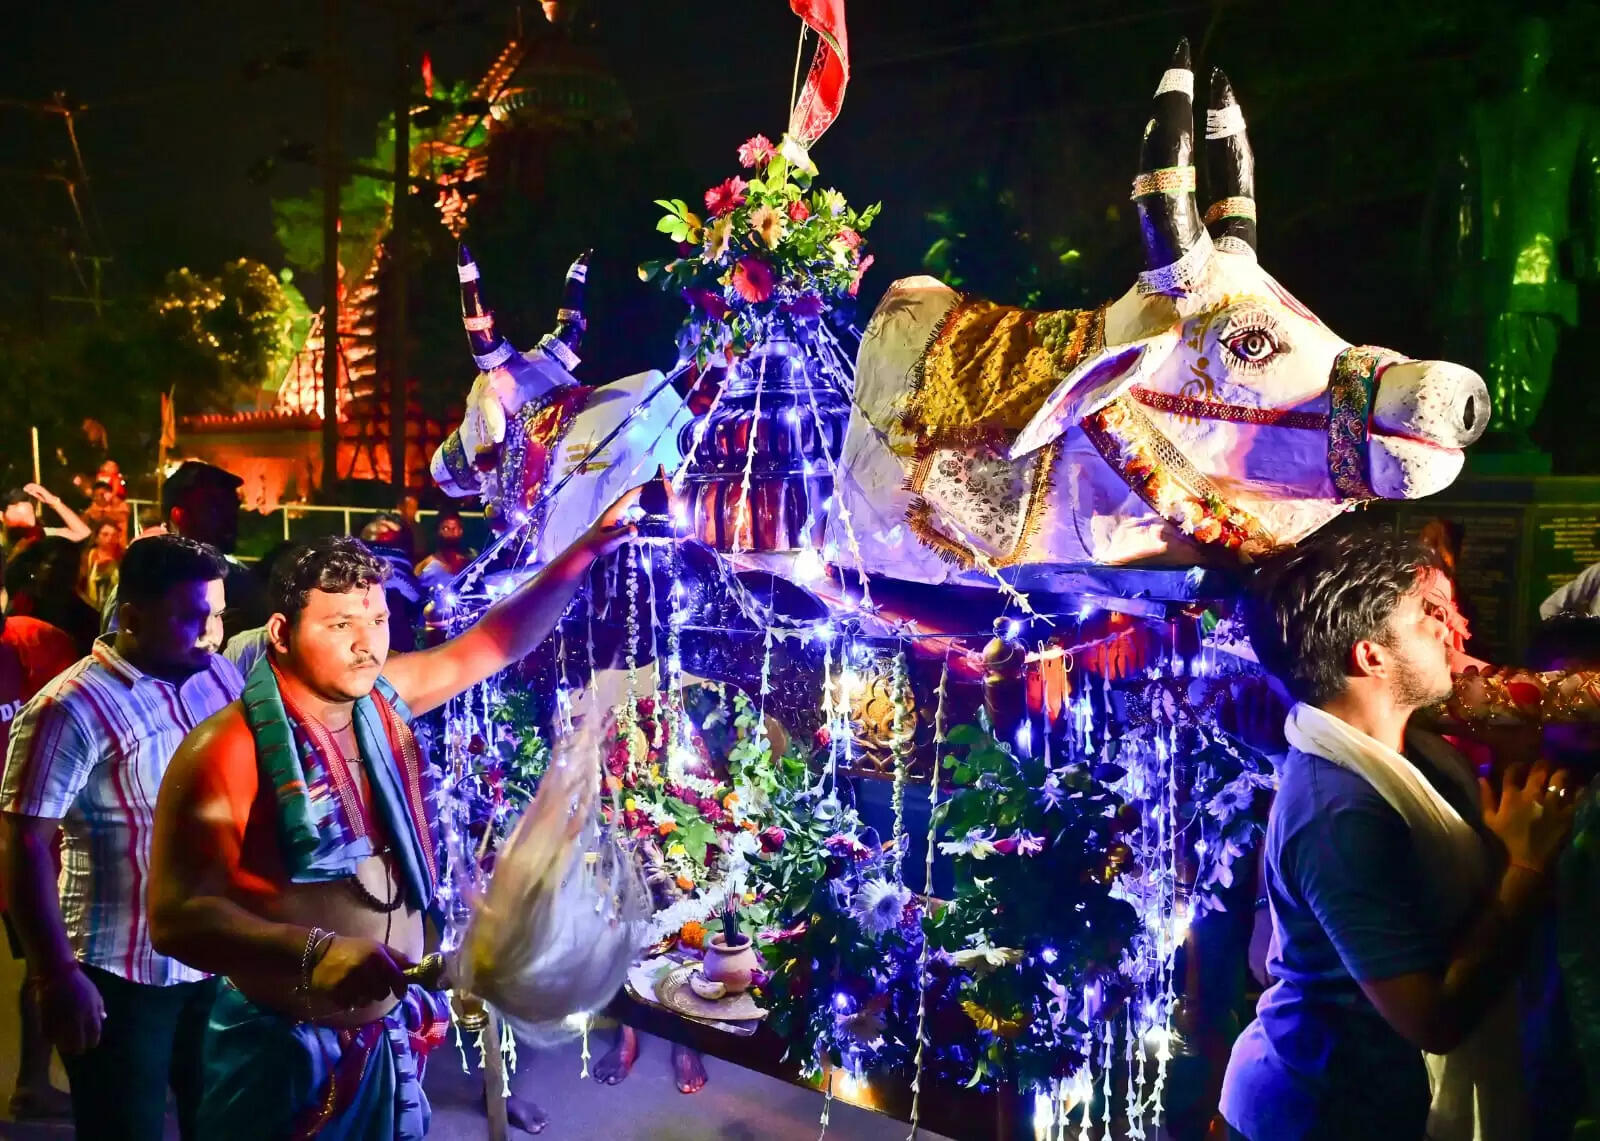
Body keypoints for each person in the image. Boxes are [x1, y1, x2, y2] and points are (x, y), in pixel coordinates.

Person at [146, 495, 637, 1140]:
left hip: (384, 1035)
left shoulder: (382, 703)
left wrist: (588, 548)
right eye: (339, 625)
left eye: (377, 619)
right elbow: (175, 917)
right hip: (281, 1055)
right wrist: (312, 952)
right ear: (281, 634)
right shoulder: (227, 749)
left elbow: (495, 643)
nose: (366, 644)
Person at [1219, 527, 1578, 1141]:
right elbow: (1432, 1021)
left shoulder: (1416, 745)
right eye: (1426, 616)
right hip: (1328, 1110)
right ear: (1371, 657)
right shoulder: (1339, 813)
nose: (1449, 630)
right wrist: (1525, 868)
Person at [1, 535, 241, 1140]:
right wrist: (56, 974)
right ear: (131, 618)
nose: (212, 635)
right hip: (118, 971)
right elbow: (23, 843)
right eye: (192, 617)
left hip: (215, 958)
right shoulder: (69, 707)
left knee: (219, 1123)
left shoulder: (218, 677)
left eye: (218, 615)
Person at [0, 547, 78, 1120]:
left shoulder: (39, 643)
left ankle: (33, 1081)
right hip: (25, 834)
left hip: (27, 833)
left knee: (42, 957)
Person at [100, 461, 271, 642]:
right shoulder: (141, 585)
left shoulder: (243, 584)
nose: (231, 519)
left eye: (233, 508)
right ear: (179, 516)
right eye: (216, 509)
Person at [5, 536, 102, 654]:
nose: (67, 572)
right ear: (35, 567)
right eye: (59, 564)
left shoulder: (87, 619)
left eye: (73, 566)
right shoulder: (21, 605)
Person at [3, 484, 90, 556]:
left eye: (26, 501)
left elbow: (82, 533)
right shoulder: (10, 546)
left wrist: (54, 502)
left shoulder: (43, 533)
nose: (28, 505)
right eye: (17, 505)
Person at [414, 509, 476, 585]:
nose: (451, 532)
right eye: (446, 528)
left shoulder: (470, 564)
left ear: (460, 531)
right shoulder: (426, 565)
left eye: (454, 528)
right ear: (438, 531)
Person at [81, 518, 126, 612]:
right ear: (96, 537)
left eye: (114, 535)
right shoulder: (87, 557)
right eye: (105, 534)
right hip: (90, 609)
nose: (110, 538)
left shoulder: (124, 557)